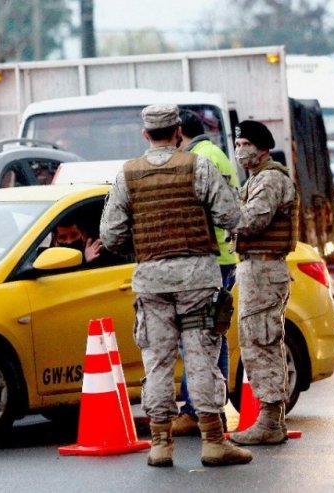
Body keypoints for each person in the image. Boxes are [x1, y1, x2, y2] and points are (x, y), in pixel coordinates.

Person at [99, 104, 251, 468]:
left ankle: (160, 444)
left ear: (145, 135)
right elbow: (232, 216)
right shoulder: (198, 166)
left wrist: (141, 247)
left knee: (157, 362)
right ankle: (214, 441)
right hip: (198, 278)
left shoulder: (128, 175)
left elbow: (110, 234)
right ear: (178, 132)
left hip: (151, 281)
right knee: (202, 359)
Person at [228, 120, 299, 446]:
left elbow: (251, 220)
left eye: (246, 145)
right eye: (238, 144)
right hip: (258, 270)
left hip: (264, 270)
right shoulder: (258, 178)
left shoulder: (270, 179)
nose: (240, 150)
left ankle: (270, 421)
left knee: (262, 343)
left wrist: (223, 209)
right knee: (258, 341)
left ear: (263, 149)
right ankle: (271, 420)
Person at [170, 110, 240, 436]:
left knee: (200, 337)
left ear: (180, 132)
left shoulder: (200, 159)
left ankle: (198, 410)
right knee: (215, 337)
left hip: (210, 258)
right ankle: (210, 408)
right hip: (223, 256)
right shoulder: (214, 153)